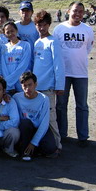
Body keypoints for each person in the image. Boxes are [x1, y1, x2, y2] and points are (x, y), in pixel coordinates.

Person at [53, 2, 95, 147]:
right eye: (75, 11)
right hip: (63, 74)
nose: (77, 14)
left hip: (81, 73)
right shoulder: (59, 29)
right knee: (61, 105)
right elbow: (56, 50)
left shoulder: (88, 30)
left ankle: (83, 136)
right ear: (68, 11)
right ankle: (62, 135)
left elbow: (88, 48)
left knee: (82, 105)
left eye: (81, 12)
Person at [33, 10, 65, 150]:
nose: (42, 28)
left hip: (49, 88)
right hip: (36, 88)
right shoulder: (37, 42)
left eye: (44, 25)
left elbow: (58, 65)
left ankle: (58, 145)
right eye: (39, 25)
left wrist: (59, 85)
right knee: (38, 118)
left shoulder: (53, 42)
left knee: (51, 118)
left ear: (49, 25)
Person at [13, 72, 58, 159]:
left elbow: (44, 124)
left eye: (30, 85)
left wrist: (33, 143)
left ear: (36, 84)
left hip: (39, 127)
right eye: (24, 86)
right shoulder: (16, 97)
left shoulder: (44, 99)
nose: (27, 89)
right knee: (25, 123)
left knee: (50, 148)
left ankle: (34, 148)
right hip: (25, 128)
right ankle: (25, 151)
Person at [0, 21, 31, 94]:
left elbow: (23, 65)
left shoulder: (25, 45)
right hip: (8, 86)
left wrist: (10, 81)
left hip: (22, 83)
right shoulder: (3, 47)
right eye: (7, 32)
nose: (10, 34)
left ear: (16, 31)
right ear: (4, 34)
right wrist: (8, 84)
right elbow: (3, 66)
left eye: (12, 31)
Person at [16, 1, 39, 68]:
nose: (25, 13)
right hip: (18, 59)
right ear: (19, 12)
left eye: (27, 11)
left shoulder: (36, 26)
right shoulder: (15, 26)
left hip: (32, 59)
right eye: (23, 11)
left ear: (32, 12)